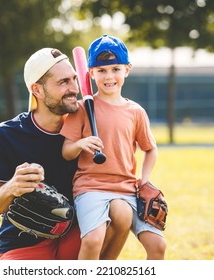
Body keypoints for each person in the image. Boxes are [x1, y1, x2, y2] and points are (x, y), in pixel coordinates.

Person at [0, 47, 131, 260]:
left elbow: (118, 174)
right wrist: (11, 188)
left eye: (74, 79)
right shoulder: (8, 135)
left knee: (119, 213)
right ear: (38, 90)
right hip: (24, 243)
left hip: (77, 235)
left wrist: (141, 187)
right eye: (63, 82)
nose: (74, 88)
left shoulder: (90, 127)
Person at [60, 35, 167, 260]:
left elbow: (150, 149)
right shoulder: (81, 109)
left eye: (115, 69)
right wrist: (80, 144)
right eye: (101, 70)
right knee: (92, 240)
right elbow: (66, 151)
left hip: (128, 188)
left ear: (127, 70)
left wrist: (144, 180)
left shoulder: (135, 111)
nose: (109, 76)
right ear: (90, 73)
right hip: (91, 187)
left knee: (157, 246)